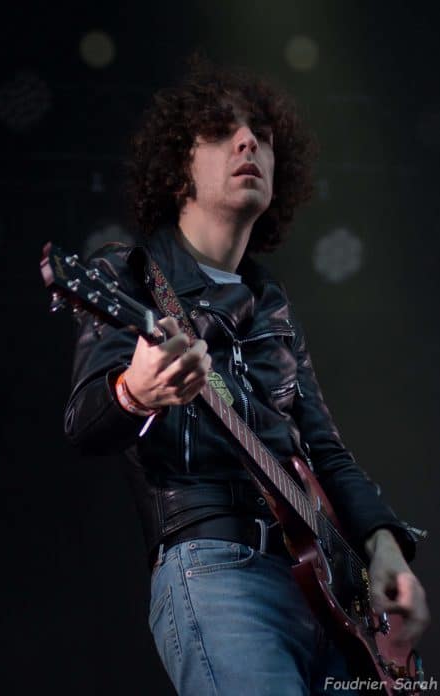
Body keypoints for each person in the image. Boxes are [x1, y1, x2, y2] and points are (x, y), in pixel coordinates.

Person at [64, 58, 429, 694]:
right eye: (221, 130)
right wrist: (136, 392)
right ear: (179, 165)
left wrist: (383, 543)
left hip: (329, 596)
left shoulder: (272, 304)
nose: (247, 143)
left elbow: (325, 451)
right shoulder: (129, 275)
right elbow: (84, 422)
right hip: (218, 572)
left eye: (261, 134)